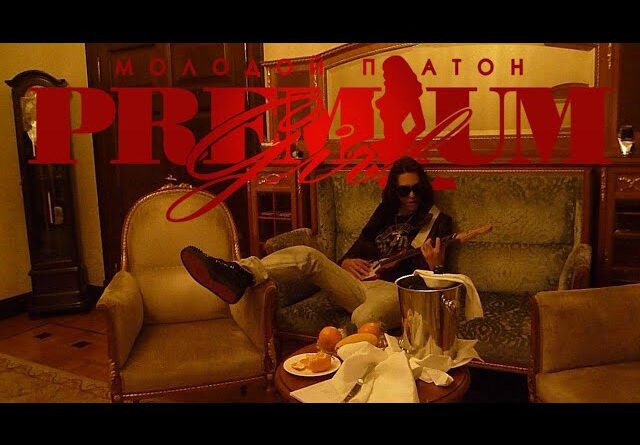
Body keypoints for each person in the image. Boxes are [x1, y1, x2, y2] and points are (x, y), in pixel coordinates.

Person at [180, 156, 453, 330]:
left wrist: (436, 268)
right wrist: (345, 262)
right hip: (357, 284)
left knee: (364, 318)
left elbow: (434, 285)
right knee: (307, 255)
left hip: (394, 292)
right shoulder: (384, 213)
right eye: (404, 190)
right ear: (395, 191)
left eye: (416, 188)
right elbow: (354, 251)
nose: (411, 195)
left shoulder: (438, 221)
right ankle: (239, 272)